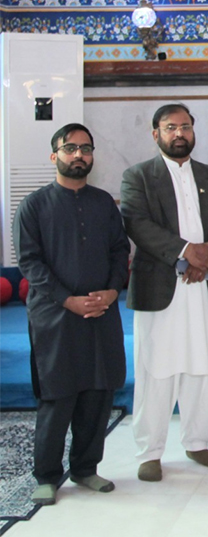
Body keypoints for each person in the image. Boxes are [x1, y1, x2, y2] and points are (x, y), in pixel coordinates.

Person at [121, 103, 208, 482]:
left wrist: (206, 258)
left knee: (205, 365)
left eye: (185, 127)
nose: (179, 134)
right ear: (155, 133)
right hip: (161, 285)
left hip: (205, 285)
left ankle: (198, 441)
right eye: (170, 127)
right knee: (156, 368)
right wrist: (187, 253)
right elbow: (137, 224)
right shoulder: (138, 176)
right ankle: (150, 451)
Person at [14, 124, 129, 506]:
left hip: (101, 312)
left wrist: (112, 291)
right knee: (57, 394)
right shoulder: (33, 206)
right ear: (55, 156)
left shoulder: (103, 204)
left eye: (85, 149)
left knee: (98, 392)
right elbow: (31, 264)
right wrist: (68, 300)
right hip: (55, 317)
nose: (78, 155)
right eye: (70, 148)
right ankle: (46, 475)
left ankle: (85, 469)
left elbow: (118, 252)